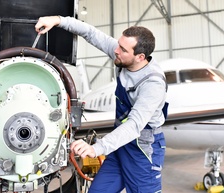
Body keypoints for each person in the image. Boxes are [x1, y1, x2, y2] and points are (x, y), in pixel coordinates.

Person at [35, 16, 168, 193]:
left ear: (140, 57)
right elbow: (90, 33)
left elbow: (135, 125)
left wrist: (97, 148)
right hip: (120, 144)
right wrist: (58, 20)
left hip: (143, 150)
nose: (115, 50)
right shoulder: (122, 55)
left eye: (122, 49)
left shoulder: (153, 84)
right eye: (118, 44)